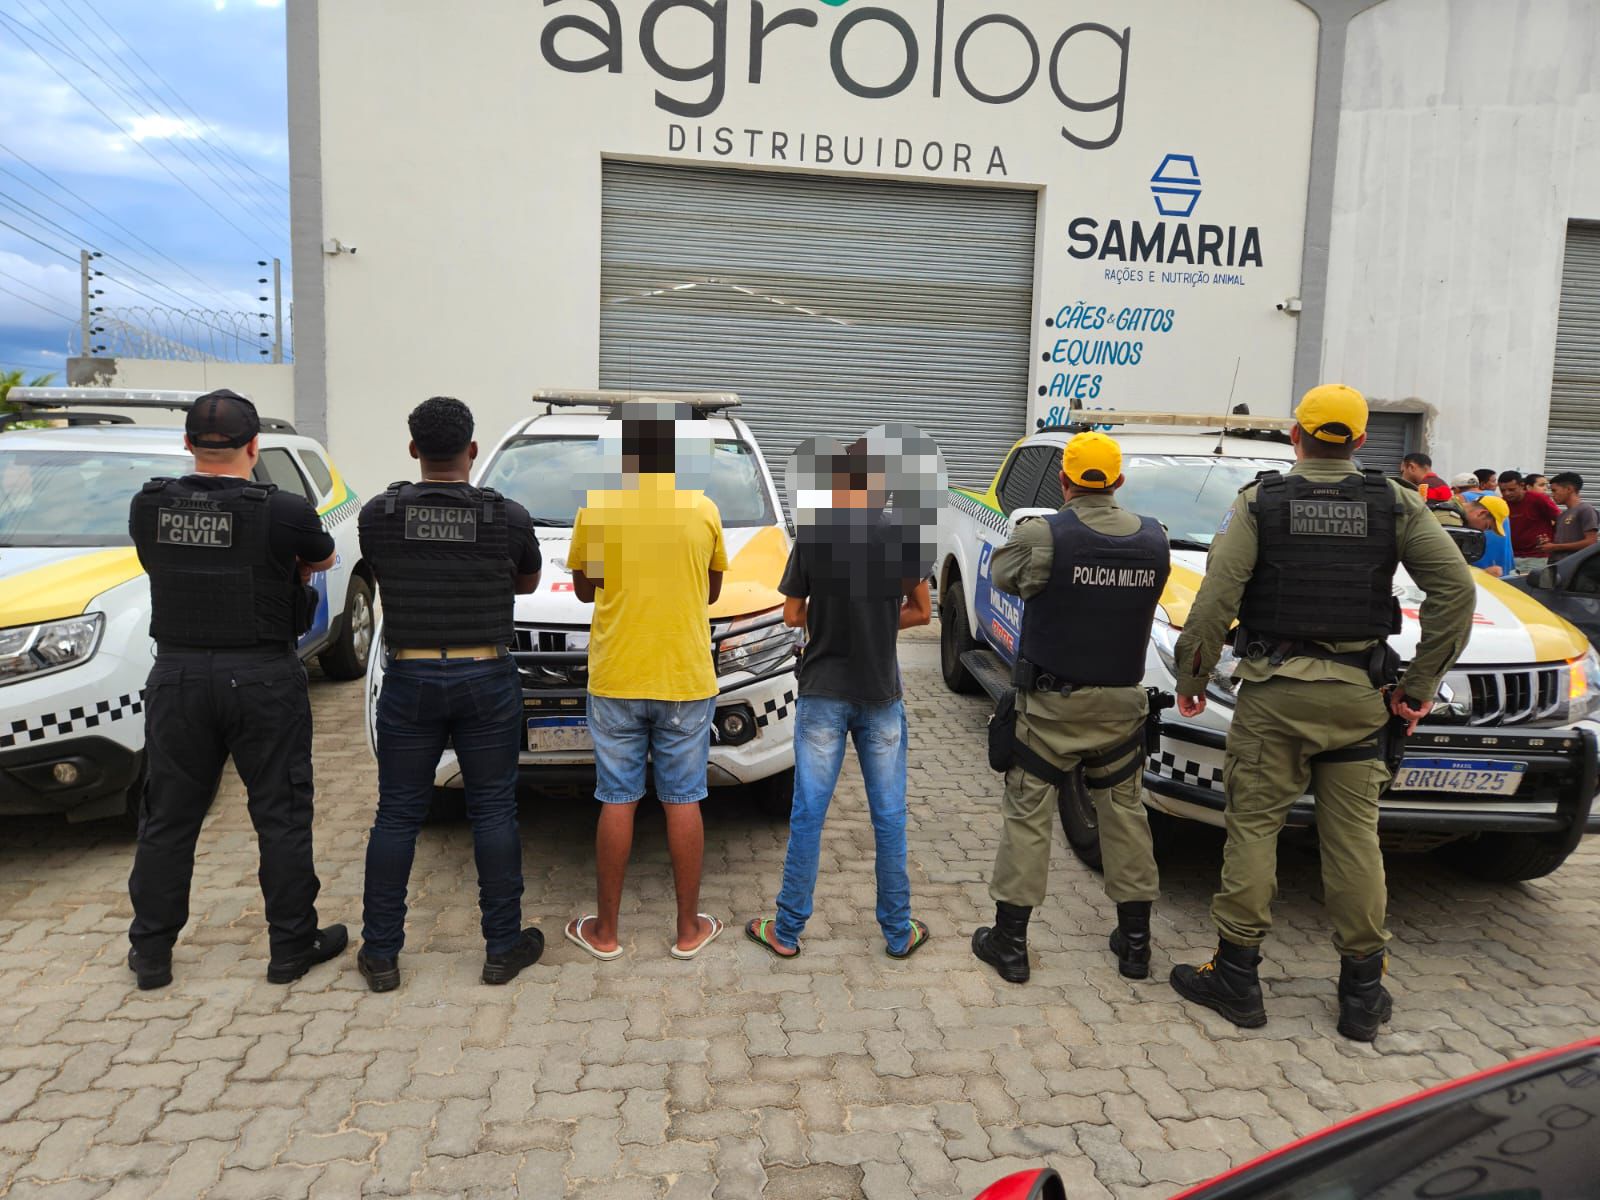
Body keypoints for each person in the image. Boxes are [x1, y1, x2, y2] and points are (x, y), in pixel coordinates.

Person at [1168, 384, 1474, 1042]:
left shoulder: (1260, 503)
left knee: (1253, 830)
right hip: (1359, 701)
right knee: (1355, 840)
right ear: (1361, 441)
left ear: (1295, 436)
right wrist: (1418, 686)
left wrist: (1192, 675)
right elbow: (1456, 591)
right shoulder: (1396, 503)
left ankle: (1237, 978)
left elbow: (1216, 596)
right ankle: (1362, 993)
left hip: (1274, 699)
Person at [125, 389, 346, 990]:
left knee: (169, 817)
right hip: (262, 677)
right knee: (280, 813)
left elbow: (155, 563)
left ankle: (152, 953)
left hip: (178, 677)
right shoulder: (285, 510)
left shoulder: (149, 505)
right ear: (254, 447)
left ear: (188, 444)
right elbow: (324, 559)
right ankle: (291, 948)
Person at [356, 397, 546, 992]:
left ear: (414, 449)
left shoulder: (379, 514)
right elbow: (527, 582)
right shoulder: (507, 516)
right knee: (493, 810)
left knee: (397, 814)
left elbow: (384, 572)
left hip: (410, 677)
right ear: (473, 449)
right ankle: (502, 947)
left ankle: (381, 954)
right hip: (486, 676)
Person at [970, 432, 1172, 985]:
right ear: (1119, 482)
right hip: (1121, 710)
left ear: (1063, 481)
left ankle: (1011, 944)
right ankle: (1136, 945)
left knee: (1028, 816)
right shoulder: (1155, 538)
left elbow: (1003, 576)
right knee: (1125, 817)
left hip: (1051, 710)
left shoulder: (1043, 534)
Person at [746, 440, 933, 961]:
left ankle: (786, 930)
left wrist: (830, 618)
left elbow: (791, 615)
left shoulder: (815, 533)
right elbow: (922, 612)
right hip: (881, 693)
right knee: (889, 815)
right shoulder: (903, 535)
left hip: (822, 692)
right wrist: (877, 621)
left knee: (809, 813)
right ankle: (898, 932)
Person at [565, 402, 728, 961]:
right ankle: (688, 931)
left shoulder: (598, 510)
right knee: (684, 798)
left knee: (617, 798)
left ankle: (606, 933)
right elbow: (710, 591)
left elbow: (585, 590)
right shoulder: (702, 510)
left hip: (617, 674)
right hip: (684, 676)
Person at [1500, 470, 1562, 573]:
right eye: (1503, 490)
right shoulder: (1501, 503)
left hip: (1536, 557)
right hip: (1510, 557)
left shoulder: (1538, 499)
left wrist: (1552, 541)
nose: (1507, 493)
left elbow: (1560, 519)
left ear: (1522, 485)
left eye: (1511, 490)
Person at [1545, 473, 1598, 565]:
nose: (1552, 495)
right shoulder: (1561, 515)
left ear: (1569, 489)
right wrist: (1547, 543)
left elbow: (1591, 542)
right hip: (1559, 565)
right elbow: (1562, 541)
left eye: (1554, 490)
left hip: (1577, 567)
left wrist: (1555, 547)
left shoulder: (1585, 509)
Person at [1463, 496, 1514, 577]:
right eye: (1486, 526)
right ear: (1482, 513)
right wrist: (1483, 574)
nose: (1483, 531)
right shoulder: (1451, 523)